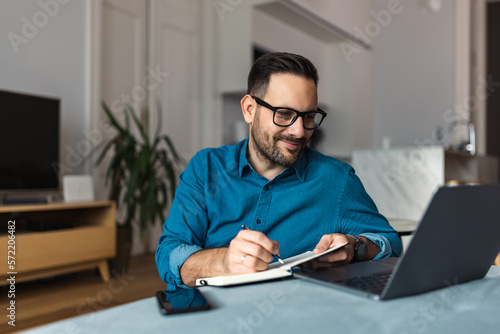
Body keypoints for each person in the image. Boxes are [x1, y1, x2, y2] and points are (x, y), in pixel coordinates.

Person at [156, 52, 402, 289]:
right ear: (249, 109)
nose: (299, 131)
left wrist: (355, 246)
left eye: (309, 117)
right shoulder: (206, 168)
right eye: (284, 114)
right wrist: (222, 262)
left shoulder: (337, 180)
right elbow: (169, 254)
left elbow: (390, 241)